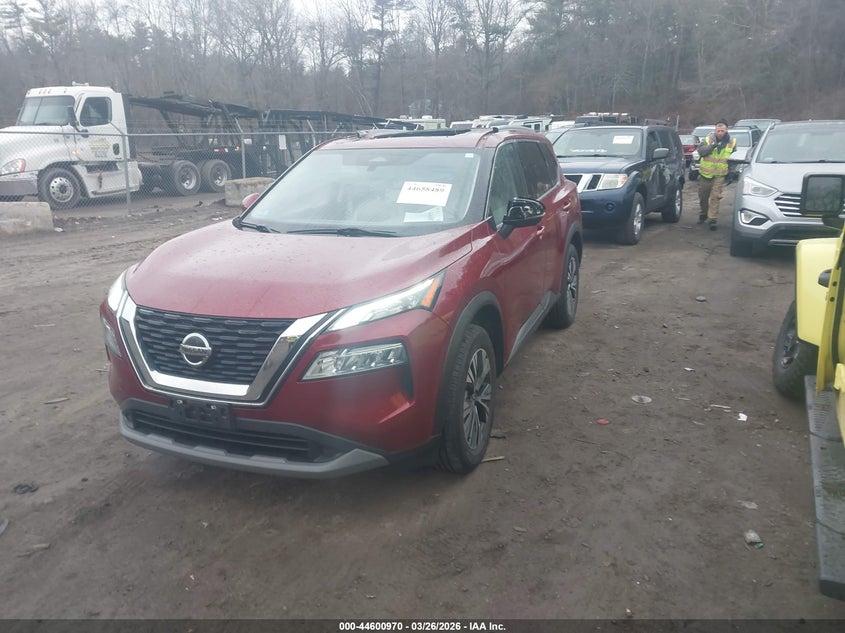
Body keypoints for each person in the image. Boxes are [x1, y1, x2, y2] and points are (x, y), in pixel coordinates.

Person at [696, 119, 736, 230]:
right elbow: (700, 151)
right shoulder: (708, 140)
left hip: (720, 175)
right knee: (703, 197)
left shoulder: (732, 142)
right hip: (705, 174)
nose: (720, 133)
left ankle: (712, 219)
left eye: (722, 130)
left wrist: (731, 173)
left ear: (726, 130)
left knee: (715, 197)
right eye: (718, 130)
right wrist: (712, 146)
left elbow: (733, 159)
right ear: (715, 130)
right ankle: (703, 213)